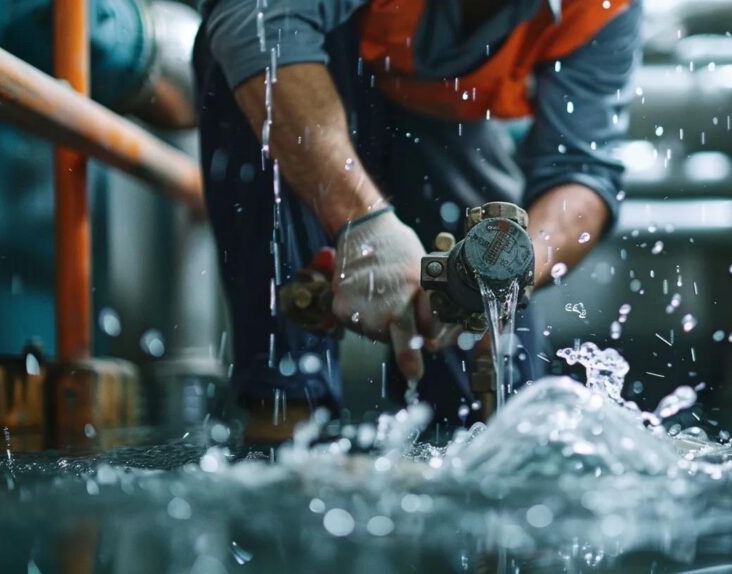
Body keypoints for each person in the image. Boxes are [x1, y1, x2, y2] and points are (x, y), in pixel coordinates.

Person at [192, 0, 643, 433]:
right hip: (313, 80)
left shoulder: (603, 4)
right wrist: (363, 223)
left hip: (449, 124)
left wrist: (508, 270)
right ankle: (284, 421)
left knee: (503, 413)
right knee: (254, 56)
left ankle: (472, 442)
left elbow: (581, 173)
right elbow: (254, 16)